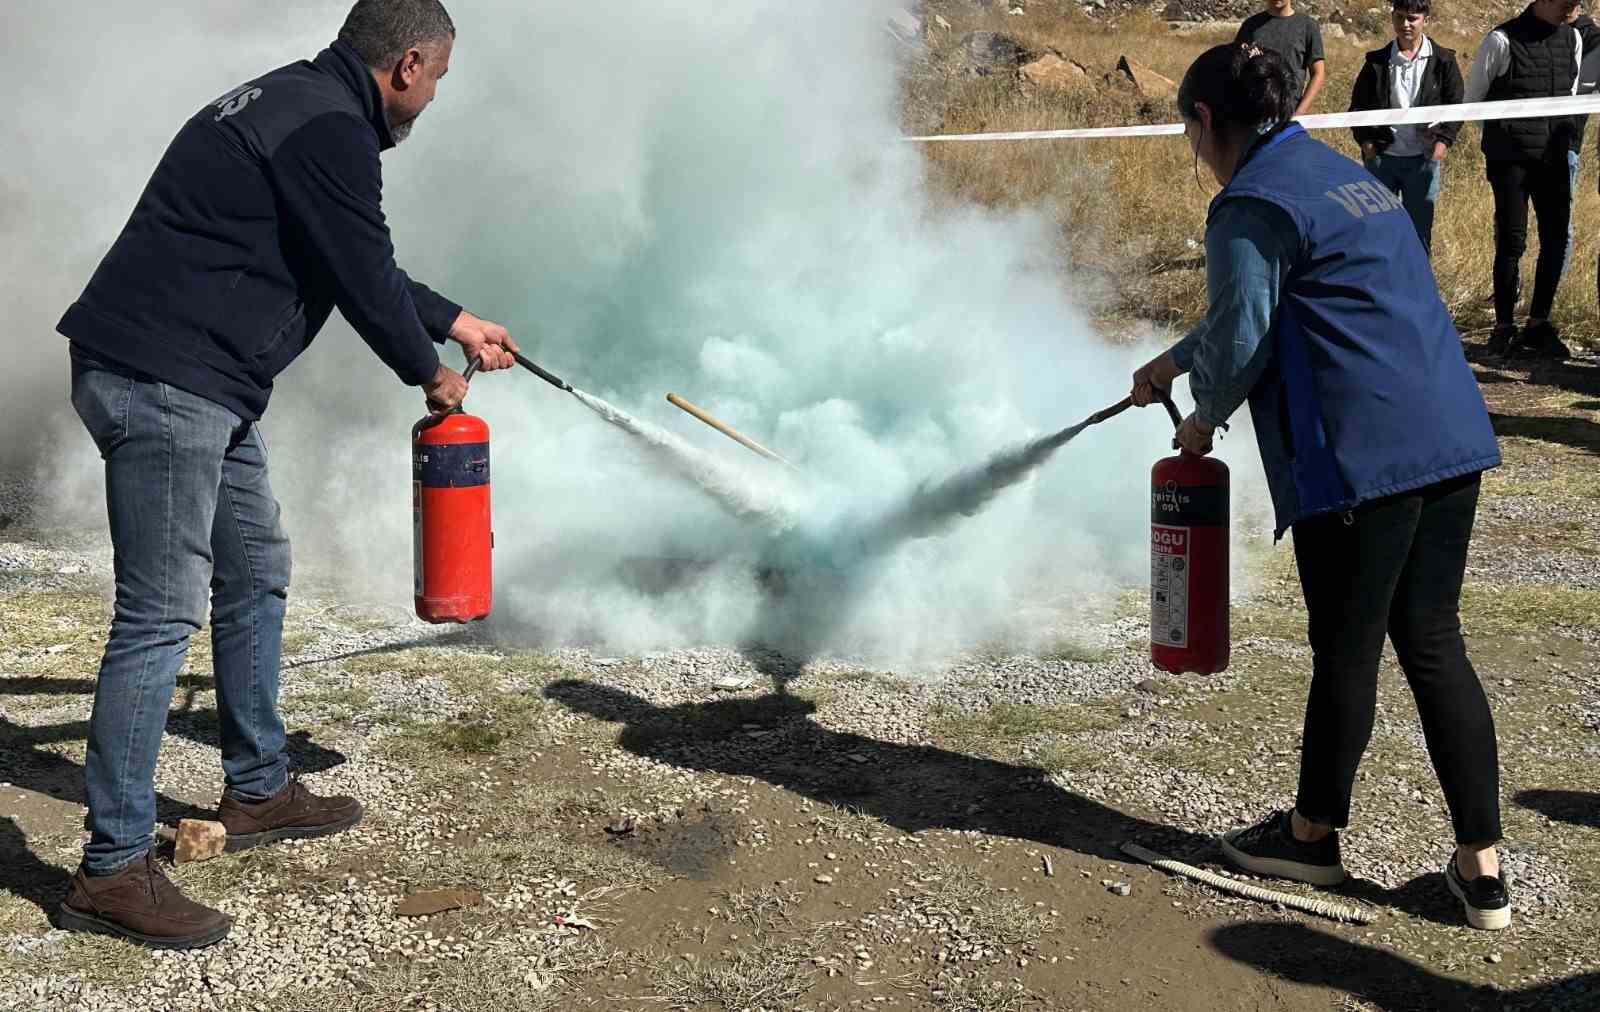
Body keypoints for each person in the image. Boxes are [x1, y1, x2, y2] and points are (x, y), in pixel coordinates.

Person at [54, 0, 518, 949]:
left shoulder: (299, 105)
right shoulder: (329, 128)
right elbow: (356, 265)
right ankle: (112, 869)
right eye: (435, 81)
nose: (432, 100)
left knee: (257, 564)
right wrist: (431, 371)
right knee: (157, 617)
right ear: (410, 63)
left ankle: (258, 787)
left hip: (198, 381)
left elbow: (341, 251)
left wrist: (453, 317)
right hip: (164, 380)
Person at [1131, 43, 1511, 931]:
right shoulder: (1341, 176)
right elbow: (1276, 301)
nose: (1194, 148)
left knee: (1345, 645)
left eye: (1191, 132)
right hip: (1449, 438)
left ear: (1206, 123)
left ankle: (1310, 838)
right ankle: (1481, 871)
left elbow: (1248, 333)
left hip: (1363, 457)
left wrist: (1202, 414)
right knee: (1431, 640)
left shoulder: (1247, 202)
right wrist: (1174, 360)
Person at [1465, 0, 1584, 359]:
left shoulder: (1574, 39)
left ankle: (1538, 325)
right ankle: (1503, 328)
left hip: (1554, 158)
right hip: (1510, 160)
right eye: (1568, 1)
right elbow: (1472, 100)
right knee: (1512, 241)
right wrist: (1505, 139)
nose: (1573, 8)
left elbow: (1571, 97)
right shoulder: (1500, 40)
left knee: (1555, 238)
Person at [1348, 0, 1465, 256]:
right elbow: (1357, 107)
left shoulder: (1443, 60)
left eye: (1412, 18)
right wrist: (1367, 144)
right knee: (1377, 230)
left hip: (1423, 161)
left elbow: (1456, 106)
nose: (1405, 24)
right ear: (1392, 17)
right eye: (1400, 17)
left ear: (1425, 19)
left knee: (1419, 233)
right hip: (1382, 160)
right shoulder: (1376, 61)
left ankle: (1417, 290)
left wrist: (1442, 143)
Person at [1235, 0, 1327, 115]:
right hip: (1253, 112)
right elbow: (1236, 66)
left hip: (1289, 111)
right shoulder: (1251, 25)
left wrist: (1299, 112)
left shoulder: (1307, 26)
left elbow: (1318, 73)